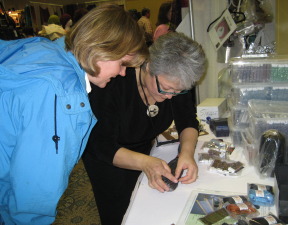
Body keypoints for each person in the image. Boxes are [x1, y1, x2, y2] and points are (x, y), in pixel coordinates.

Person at [0, 4, 148, 225]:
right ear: (102, 49)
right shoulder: (62, 95)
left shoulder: (47, 50)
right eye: (122, 63)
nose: (122, 73)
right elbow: (33, 197)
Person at [83, 32, 206, 225]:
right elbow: (100, 145)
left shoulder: (175, 81)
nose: (170, 97)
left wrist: (187, 153)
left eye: (179, 91)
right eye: (165, 88)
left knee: (151, 207)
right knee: (120, 213)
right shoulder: (113, 81)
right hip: (107, 158)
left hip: (144, 149)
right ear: (148, 66)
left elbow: (188, 120)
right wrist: (145, 163)